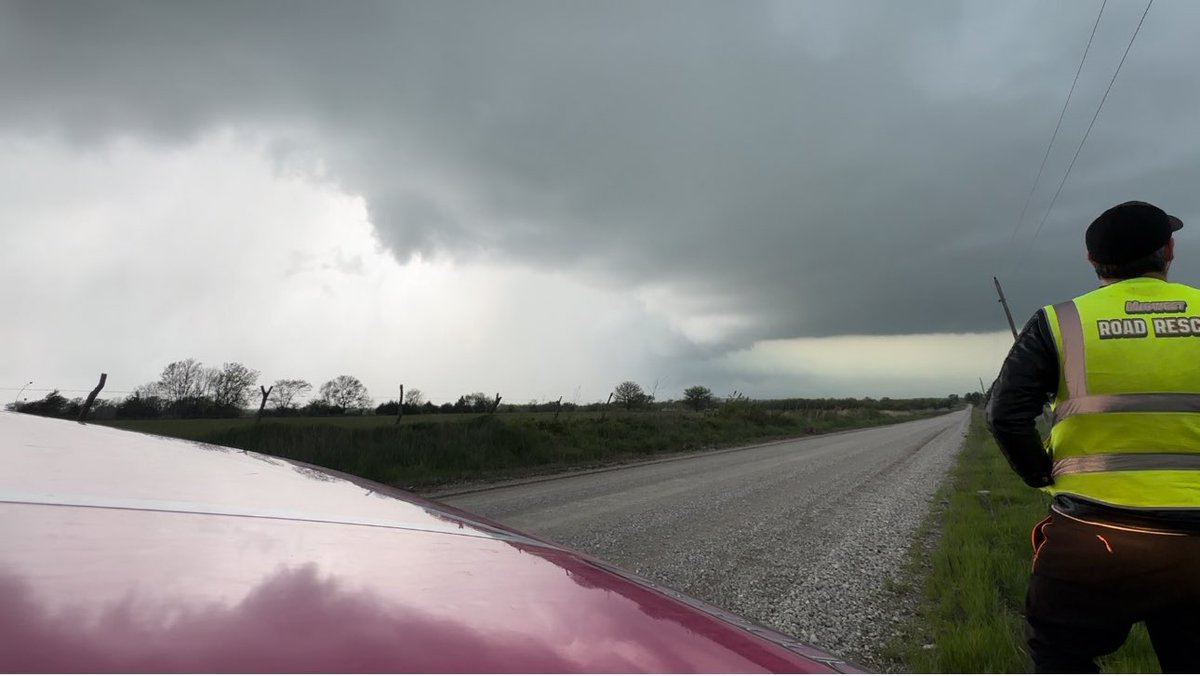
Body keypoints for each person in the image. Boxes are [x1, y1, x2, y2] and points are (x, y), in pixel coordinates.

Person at [986, 200, 1200, 674]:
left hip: (1094, 535)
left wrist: (1043, 475)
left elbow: (1004, 415)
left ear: (1091, 261)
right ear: (1168, 249)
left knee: (1060, 653)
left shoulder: (1060, 322)